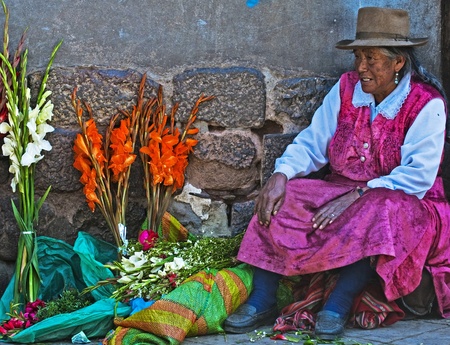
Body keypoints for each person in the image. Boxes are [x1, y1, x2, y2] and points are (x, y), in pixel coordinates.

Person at [223, 6, 450, 340]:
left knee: (379, 210)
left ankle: (338, 304)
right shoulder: (347, 90)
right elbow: (314, 143)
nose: (361, 67)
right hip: (340, 190)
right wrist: (282, 173)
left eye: (372, 59)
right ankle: (263, 299)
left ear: (398, 62)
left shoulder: (425, 103)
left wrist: (358, 195)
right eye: (359, 56)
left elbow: (418, 176)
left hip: (405, 200)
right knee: (287, 197)